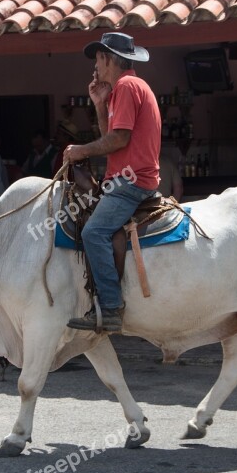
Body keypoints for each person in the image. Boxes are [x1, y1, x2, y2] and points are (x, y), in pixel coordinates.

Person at [63, 32, 161, 333]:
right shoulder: (124, 88)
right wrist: (99, 104)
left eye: (98, 59)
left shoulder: (128, 86)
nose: (95, 67)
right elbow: (113, 135)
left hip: (129, 183)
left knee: (93, 232)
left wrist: (80, 150)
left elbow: (120, 139)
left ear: (107, 59)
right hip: (129, 180)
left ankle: (110, 308)